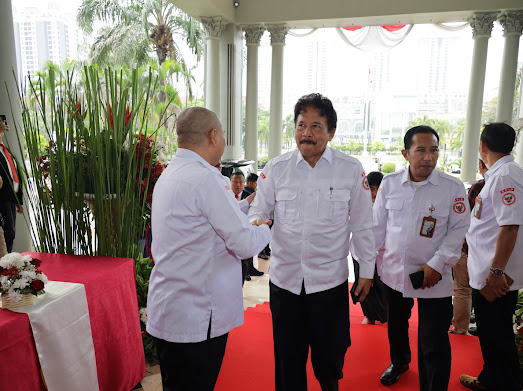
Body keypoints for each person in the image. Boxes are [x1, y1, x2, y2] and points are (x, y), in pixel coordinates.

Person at [249, 93, 375, 391]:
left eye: (316, 126)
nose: (307, 133)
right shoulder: (277, 168)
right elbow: (258, 209)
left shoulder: (349, 169)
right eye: (301, 125)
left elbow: (362, 224)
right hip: (285, 283)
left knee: (329, 362)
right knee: (288, 364)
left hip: (328, 285)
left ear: (331, 132)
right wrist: (257, 221)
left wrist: (367, 271)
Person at [147, 107, 271, 391]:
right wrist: (266, 227)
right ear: (213, 136)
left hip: (171, 307)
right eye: (224, 133)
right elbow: (242, 244)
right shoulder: (207, 179)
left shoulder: (171, 173)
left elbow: (201, 221)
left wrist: (246, 204)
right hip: (198, 315)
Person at [373, 125, 470, 390]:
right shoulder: (390, 183)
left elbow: (459, 227)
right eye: (421, 150)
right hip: (394, 272)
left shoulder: (451, 187)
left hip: (435, 275)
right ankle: (400, 361)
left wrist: (437, 264)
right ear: (406, 153)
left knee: (433, 338)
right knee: (396, 325)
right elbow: (377, 228)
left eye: (434, 150)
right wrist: (370, 268)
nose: (429, 157)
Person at [459, 123, 523, 391]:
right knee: (494, 332)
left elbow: (510, 226)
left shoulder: (505, 175)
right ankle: (499, 379)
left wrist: (496, 272)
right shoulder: (503, 173)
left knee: (494, 333)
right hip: (490, 270)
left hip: (494, 275)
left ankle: (498, 382)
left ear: (482, 146)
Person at [449, 159, 487, 336]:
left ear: (480, 165)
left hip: (470, 247)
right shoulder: (516, 183)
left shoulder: (478, 187)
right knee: (487, 291)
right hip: (497, 251)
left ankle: (460, 328)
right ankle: (485, 326)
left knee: (463, 290)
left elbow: (463, 218)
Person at [352, 171, 388, 325]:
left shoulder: (387, 205)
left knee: (380, 287)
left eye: (376, 189)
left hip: (381, 253)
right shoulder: (359, 203)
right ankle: (369, 315)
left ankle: (384, 315)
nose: (373, 193)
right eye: (370, 189)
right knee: (363, 286)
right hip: (358, 252)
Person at [0, 119, 23, 253]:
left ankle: (7, 264)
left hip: (12, 198)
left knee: (11, 233)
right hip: (2, 198)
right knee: (8, 232)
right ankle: (5, 264)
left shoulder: (7, 151)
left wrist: (19, 200)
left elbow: (16, 176)